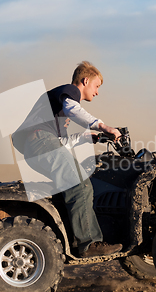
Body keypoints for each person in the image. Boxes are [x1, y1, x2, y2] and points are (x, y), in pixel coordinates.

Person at [12, 61, 122, 258]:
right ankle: (89, 243)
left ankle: (73, 237)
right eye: (97, 86)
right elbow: (73, 109)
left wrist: (88, 137)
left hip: (36, 147)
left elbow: (60, 142)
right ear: (85, 80)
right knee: (81, 185)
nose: (97, 92)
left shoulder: (57, 109)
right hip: (41, 142)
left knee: (70, 188)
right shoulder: (69, 91)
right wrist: (104, 127)